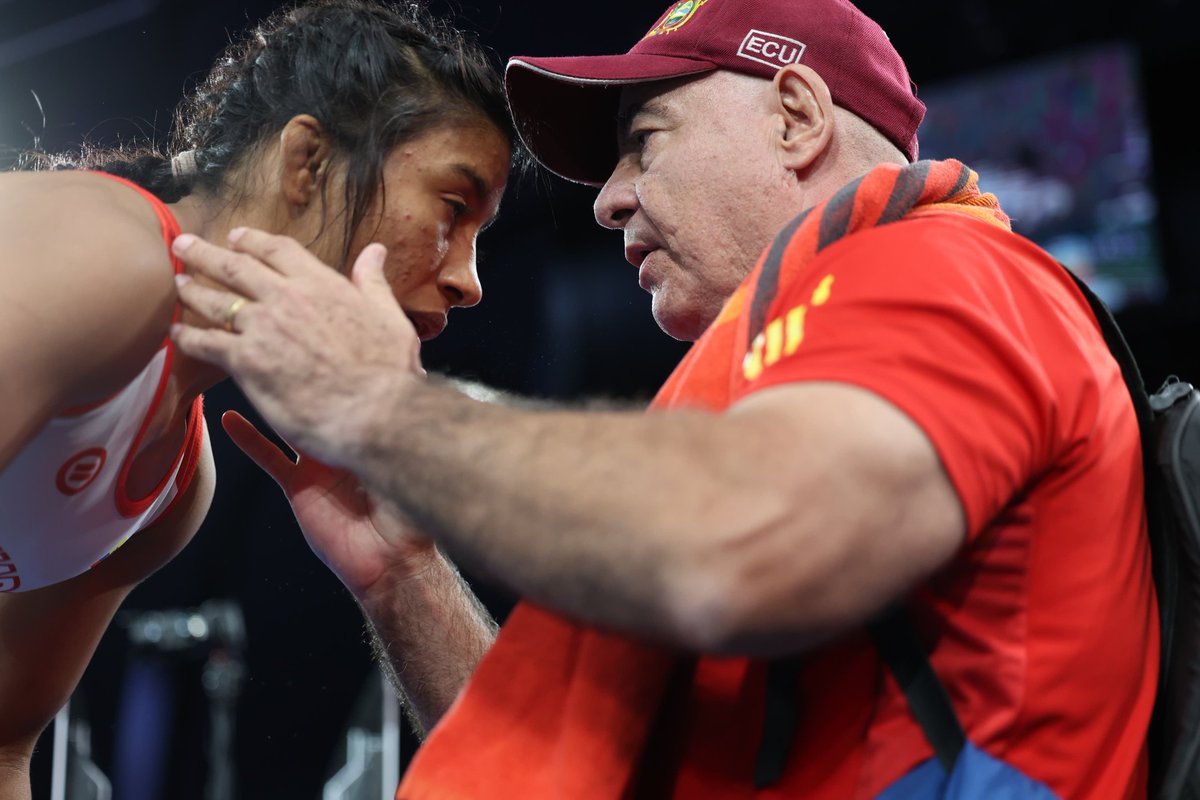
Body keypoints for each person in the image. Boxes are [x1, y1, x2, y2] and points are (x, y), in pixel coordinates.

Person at [170, 0, 1158, 796]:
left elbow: (748, 542)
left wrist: (385, 410)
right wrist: (404, 572)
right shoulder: (768, 377)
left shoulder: (938, 262)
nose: (608, 198)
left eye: (644, 141)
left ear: (796, 116)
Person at [0, 1, 513, 796]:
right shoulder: (108, 257)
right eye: (453, 208)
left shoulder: (175, 486)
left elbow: (2, 745)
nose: (469, 281)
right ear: (307, 163)